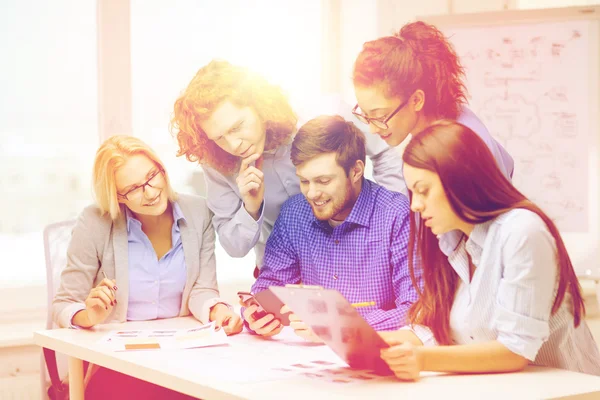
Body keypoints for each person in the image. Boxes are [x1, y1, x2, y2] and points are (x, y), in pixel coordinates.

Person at [378, 121, 600, 380]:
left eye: (424, 191)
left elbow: (515, 351)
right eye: (412, 193)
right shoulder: (452, 241)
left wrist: (423, 359)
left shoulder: (522, 232)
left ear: (459, 179)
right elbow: (438, 330)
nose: (415, 205)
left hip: (571, 390)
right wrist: (378, 344)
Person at [171, 60, 405, 277]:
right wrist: (251, 208)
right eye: (219, 138)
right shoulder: (215, 161)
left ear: (259, 105)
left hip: (357, 256)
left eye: (237, 127)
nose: (233, 145)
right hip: (282, 269)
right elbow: (234, 247)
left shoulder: (321, 112)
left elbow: (384, 153)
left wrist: (388, 224)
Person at [53, 136, 242, 399]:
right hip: (119, 365)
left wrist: (218, 310)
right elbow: (63, 304)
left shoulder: (199, 211)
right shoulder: (94, 222)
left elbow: (202, 290)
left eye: (152, 176)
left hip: (184, 358)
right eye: (133, 189)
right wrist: (90, 316)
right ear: (117, 197)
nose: (151, 192)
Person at [242, 115, 415, 340]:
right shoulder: (295, 212)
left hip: (380, 354)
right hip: (312, 361)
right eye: (304, 181)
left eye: (323, 181)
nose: (312, 193)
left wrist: (342, 327)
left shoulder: (397, 214)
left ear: (356, 171)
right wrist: (254, 313)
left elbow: (416, 309)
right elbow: (270, 285)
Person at [352, 20, 514, 191]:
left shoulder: (460, 149)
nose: (373, 129)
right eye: (365, 115)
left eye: (380, 116)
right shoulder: (439, 127)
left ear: (416, 100)